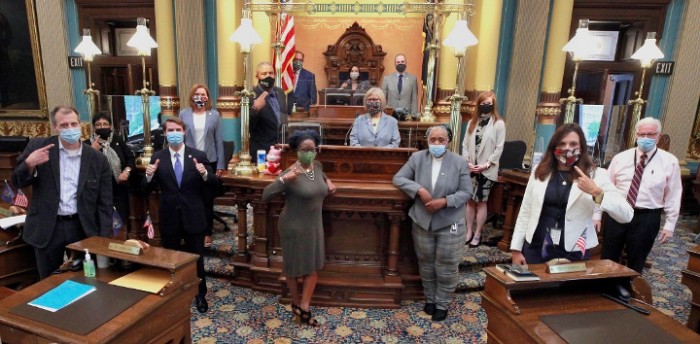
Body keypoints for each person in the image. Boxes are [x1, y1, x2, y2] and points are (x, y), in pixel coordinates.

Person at [11, 105, 112, 279]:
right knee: (48, 282)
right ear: (55, 127)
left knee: (85, 280)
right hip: (48, 226)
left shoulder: (97, 159)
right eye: (64, 125)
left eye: (74, 124)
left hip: (82, 226)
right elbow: (17, 181)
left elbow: (105, 203)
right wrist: (29, 164)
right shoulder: (39, 147)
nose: (70, 129)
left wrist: (102, 240)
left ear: (81, 125)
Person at [510, 124, 633, 266]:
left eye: (573, 144)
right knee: (532, 287)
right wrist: (516, 249)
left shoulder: (596, 175)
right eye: (562, 143)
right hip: (536, 247)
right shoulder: (540, 170)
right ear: (553, 146)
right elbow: (526, 210)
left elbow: (626, 215)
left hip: (574, 251)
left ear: (582, 147)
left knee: (569, 289)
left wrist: (596, 192)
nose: (567, 148)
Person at [393, 125, 471, 321]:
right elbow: (399, 178)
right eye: (433, 139)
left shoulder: (459, 162)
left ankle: (442, 303)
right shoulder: (417, 158)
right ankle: (430, 299)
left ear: (448, 142)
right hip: (422, 220)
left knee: (446, 264)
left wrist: (445, 202)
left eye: (441, 140)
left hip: (449, 220)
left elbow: (466, 192)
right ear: (427, 140)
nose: (436, 143)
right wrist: (418, 189)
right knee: (426, 263)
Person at [262, 130, 337, 326]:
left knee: (312, 269)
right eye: (305, 149)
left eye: (312, 149)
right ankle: (297, 303)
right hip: (293, 227)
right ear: (296, 151)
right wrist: (282, 180)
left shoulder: (317, 166)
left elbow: (322, 175)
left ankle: (303, 305)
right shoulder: (290, 173)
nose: (309, 152)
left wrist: (328, 182)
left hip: (314, 226)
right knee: (294, 269)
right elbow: (265, 195)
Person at [144, 117, 218, 313]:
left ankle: (200, 295)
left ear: (184, 132)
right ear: (165, 133)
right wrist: (149, 176)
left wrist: (204, 174)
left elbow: (215, 186)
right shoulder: (157, 157)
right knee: (172, 260)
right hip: (169, 217)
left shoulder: (198, 155)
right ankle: (176, 294)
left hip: (193, 216)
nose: (174, 133)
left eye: (177, 129)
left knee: (196, 260)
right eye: (170, 130)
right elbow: (145, 189)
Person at [598, 117, 682, 273]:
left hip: (646, 217)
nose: (646, 138)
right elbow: (604, 189)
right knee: (608, 255)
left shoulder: (669, 162)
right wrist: (597, 215)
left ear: (658, 136)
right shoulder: (620, 158)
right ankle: (605, 291)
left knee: (636, 259)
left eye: (651, 134)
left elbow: (674, 194)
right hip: (617, 213)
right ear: (636, 135)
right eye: (642, 134)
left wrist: (670, 225)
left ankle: (629, 291)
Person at [179, 83, 225, 248]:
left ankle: (207, 233)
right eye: (197, 94)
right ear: (192, 96)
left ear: (207, 97)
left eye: (203, 94)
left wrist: (220, 163)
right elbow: (180, 137)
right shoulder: (183, 114)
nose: (200, 97)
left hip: (209, 160)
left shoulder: (214, 115)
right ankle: (189, 230)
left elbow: (218, 140)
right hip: (189, 160)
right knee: (189, 196)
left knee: (206, 199)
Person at [461, 91, 505, 247]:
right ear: (479, 105)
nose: (486, 106)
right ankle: (468, 231)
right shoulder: (472, 122)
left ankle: (478, 232)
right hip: (471, 168)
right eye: (483, 103)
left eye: (489, 103)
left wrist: (486, 164)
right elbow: (465, 144)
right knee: (470, 201)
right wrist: (467, 162)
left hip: (486, 170)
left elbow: (499, 149)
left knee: (481, 202)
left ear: (493, 105)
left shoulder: (498, 124)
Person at [88, 111, 135, 236]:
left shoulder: (117, 140)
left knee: (119, 226)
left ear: (110, 126)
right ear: (94, 127)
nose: (102, 127)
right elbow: (84, 168)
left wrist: (126, 171)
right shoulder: (87, 145)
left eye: (105, 124)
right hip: (98, 193)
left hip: (118, 189)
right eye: (98, 125)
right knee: (102, 227)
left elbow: (130, 158)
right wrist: (92, 151)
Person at [250, 61, 288, 158]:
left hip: (282, 147)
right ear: (257, 77)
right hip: (263, 150)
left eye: (271, 73)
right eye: (264, 74)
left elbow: (283, 118)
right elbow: (247, 127)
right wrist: (255, 109)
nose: (268, 76)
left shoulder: (280, 92)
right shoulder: (251, 96)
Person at [381, 53, 419, 119]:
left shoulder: (412, 79)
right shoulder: (387, 79)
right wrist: (382, 114)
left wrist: (413, 116)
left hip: (407, 115)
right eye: (398, 62)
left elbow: (414, 99)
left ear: (406, 63)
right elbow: (383, 98)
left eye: (402, 61)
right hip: (391, 115)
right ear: (395, 64)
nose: (400, 63)